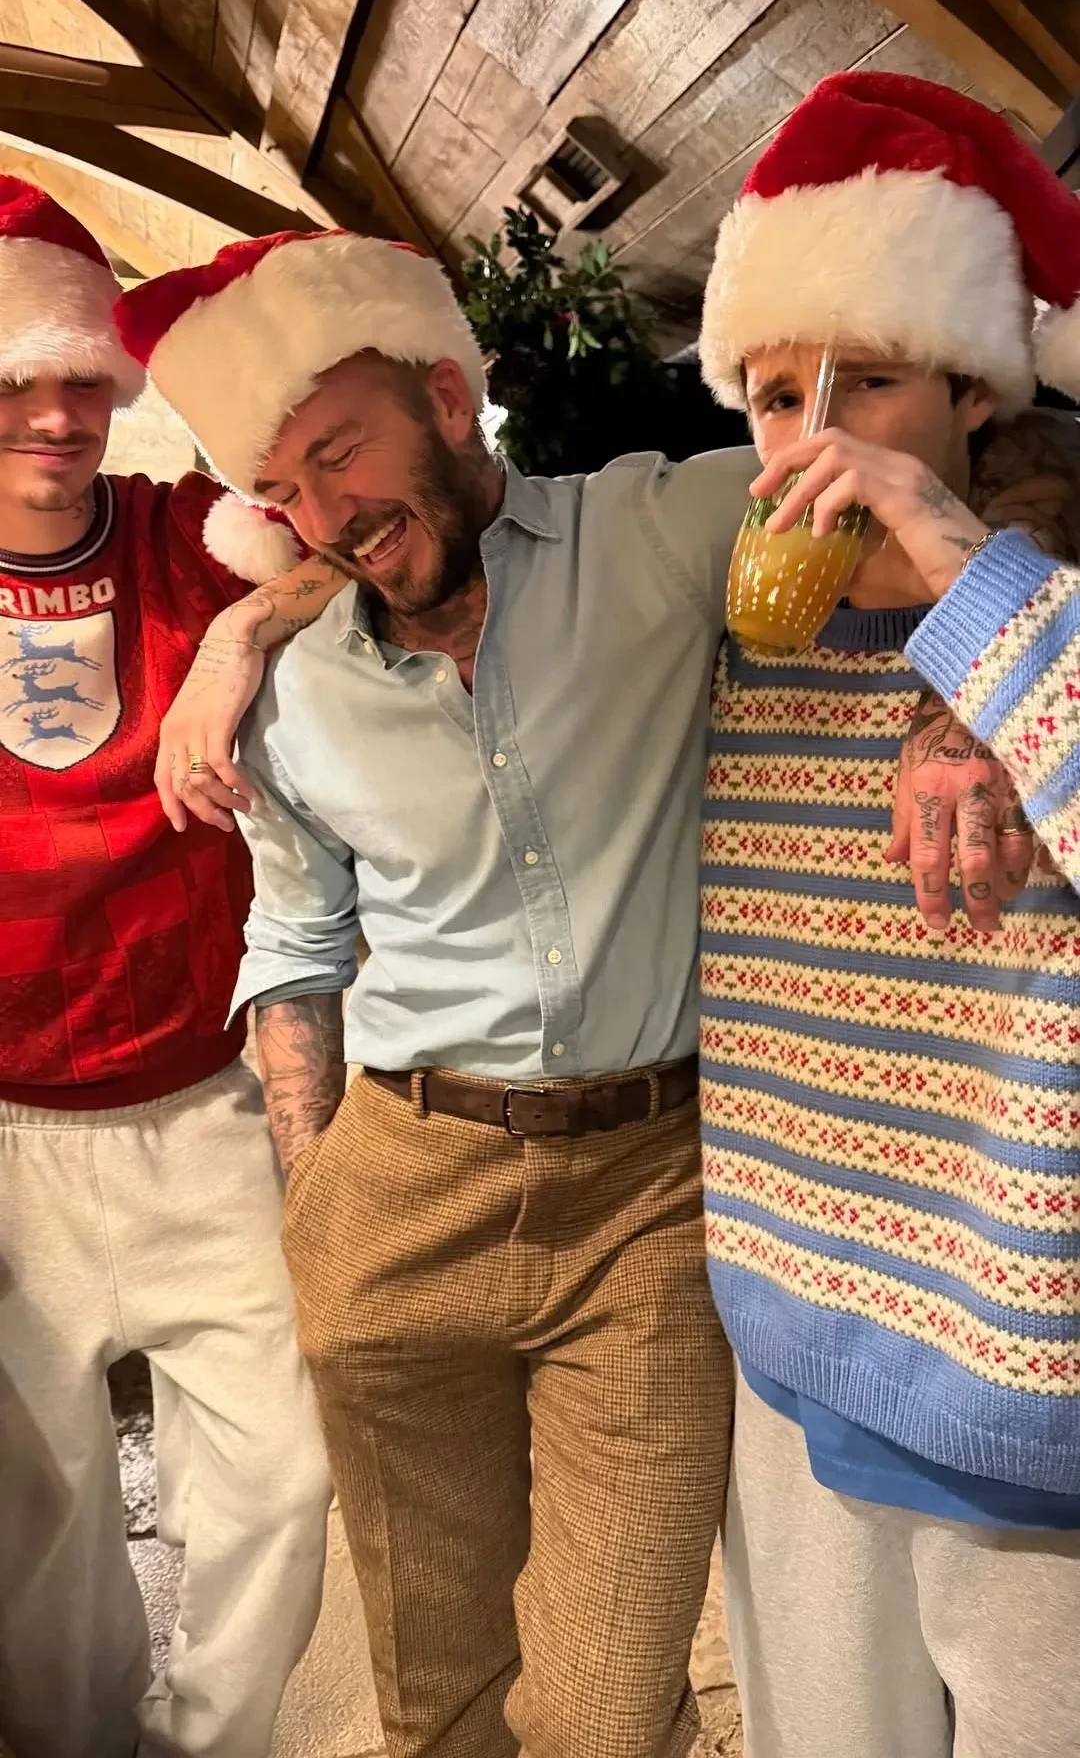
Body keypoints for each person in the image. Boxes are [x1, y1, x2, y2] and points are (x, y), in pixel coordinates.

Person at [115, 214, 1059, 1757]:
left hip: (649, 1194)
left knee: (609, 1699)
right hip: (396, 1180)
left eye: (341, 453)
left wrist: (957, 716)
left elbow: (970, 463)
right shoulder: (290, 681)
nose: (325, 518)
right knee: (434, 1688)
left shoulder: (661, 530)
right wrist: (315, 1199)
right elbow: (294, 942)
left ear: (445, 395)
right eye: (278, 493)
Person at [695, 71, 1080, 1756]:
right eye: (778, 395)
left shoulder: (1047, 613)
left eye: (872, 381)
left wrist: (962, 568)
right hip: (793, 1349)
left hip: (1024, 1394)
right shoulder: (726, 648)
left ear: (975, 392)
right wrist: (252, 626)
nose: (815, 437)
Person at [0, 177, 336, 1758]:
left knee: (284, 1472)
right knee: (33, 1517)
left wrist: (238, 634)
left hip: (203, 1102)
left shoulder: (183, 535)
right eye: (18, 381)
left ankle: (215, 1740)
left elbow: (359, 549)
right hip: (11, 1132)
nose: (57, 418)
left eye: (81, 378)